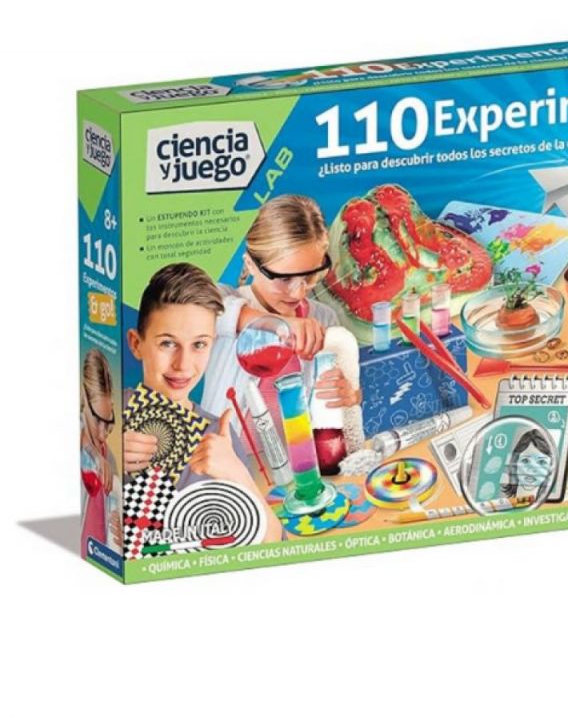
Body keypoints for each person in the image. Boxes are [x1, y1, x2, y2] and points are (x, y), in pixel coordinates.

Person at [124, 263, 283, 543]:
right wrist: (106, 452)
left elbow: (273, 545)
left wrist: (237, 474)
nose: (183, 364)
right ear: (137, 344)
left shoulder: (220, 436)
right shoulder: (106, 413)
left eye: (199, 345)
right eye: (167, 343)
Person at [202, 194, 361, 421]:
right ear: (251, 265)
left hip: (297, 443)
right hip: (226, 443)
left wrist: (350, 395)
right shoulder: (221, 298)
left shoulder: (324, 318)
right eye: (284, 279)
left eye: (310, 276)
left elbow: (340, 398)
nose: (299, 293)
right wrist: (280, 326)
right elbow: (212, 311)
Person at [80, 349, 122, 556]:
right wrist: (95, 455)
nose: (102, 434)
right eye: (97, 420)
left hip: (101, 554)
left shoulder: (109, 457)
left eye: (108, 422)